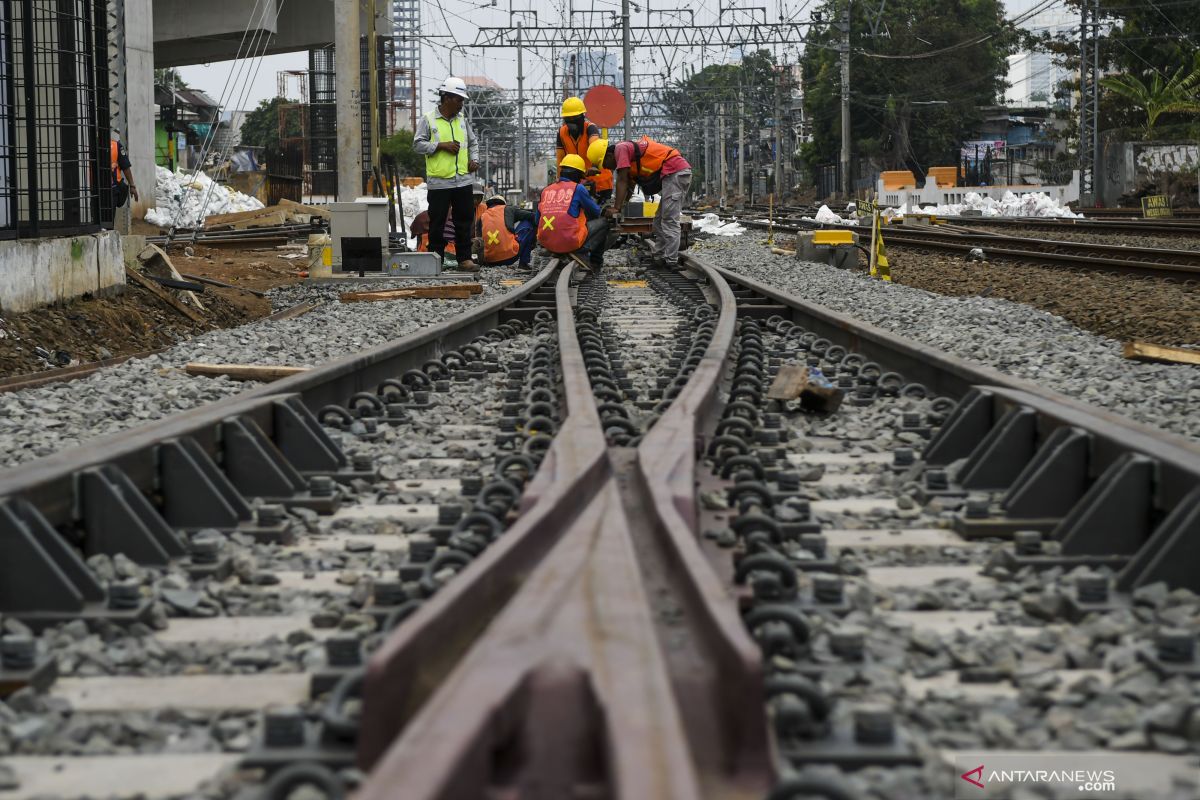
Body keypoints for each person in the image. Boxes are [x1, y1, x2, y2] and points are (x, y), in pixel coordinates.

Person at [589, 136, 692, 268]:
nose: (608, 169)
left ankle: (671, 261)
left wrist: (616, 208)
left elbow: (622, 180)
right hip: (671, 174)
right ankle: (659, 257)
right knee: (658, 222)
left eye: (605, 164)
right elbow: (629, 186)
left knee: (669, 220)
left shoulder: (621, 149)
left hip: (675, 172)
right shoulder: (627, 158)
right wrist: (621, 207)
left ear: (608, 156)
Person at [413, 76, 480, 272]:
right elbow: (417, 144)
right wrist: (440, 146)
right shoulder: (428, 119)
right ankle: (436, 260)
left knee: (464, 221)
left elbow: (473, 143)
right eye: (459, 100)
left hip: (463, 181)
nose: (461, 104)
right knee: (437, 223)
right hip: (440, 182)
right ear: (447, 98)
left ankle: (464, 259)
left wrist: (474, 160)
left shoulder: (462, 121)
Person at [536, 154, 609, 269]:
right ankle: (592, 260)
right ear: (577, 175)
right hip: (570, 241)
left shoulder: (546, 190)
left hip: (547, 242)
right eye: (581, 177)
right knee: (604, 222)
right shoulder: (578, 188)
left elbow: (537, 220)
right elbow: (596, 212)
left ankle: (556, 250)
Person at [555, 97, 613, 203]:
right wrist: (559, 181)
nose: (572, 121)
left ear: (582, 116)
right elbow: (560, 160)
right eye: (569, 118)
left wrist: (594, 167)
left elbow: (596, 148)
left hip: (600, 182)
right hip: (577, 183)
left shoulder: (590, 128)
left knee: (599, 214)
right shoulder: (561, 133)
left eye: (575, 117)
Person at [479, 195, 535, 268]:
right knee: (528, 223)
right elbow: (532, 216)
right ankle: (523, 263)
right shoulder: (509, 209)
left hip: (489, 261)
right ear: (503, 203)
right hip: (509, 257)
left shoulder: (482, 216)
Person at [444, 182, 486, 262]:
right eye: (473, 197)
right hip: (460, 245)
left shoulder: (484, 208)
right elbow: (449, 236)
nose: (475, 200)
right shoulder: (457, 209)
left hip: (478, 243)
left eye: (478, 197)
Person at [111, 132, 139, 208]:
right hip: (112, 189)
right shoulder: (116, 145)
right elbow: (126, 167)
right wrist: (132, 186)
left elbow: (125, 167)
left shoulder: (93, 145)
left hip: (98, 190)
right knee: (108, 218)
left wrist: (132, 186)